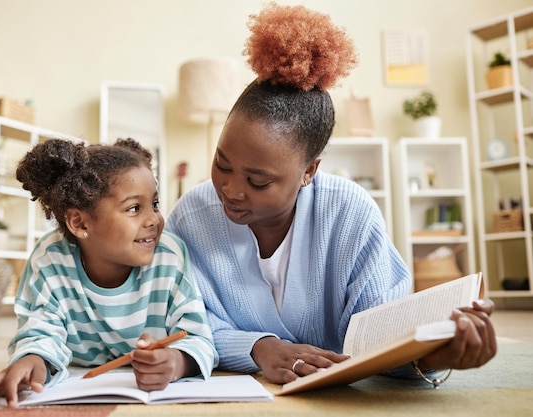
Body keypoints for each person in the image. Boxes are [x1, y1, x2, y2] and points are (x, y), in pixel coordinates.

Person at [165, 3, 496, 386]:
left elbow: (380, 332)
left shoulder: (349, 212)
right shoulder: (192, 217)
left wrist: (432, 353)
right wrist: (258, 347)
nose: (231, 189)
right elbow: (178, 318)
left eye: (258, 182)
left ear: (309, 171)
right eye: (222, 163)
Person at [0, 138, 218, 408]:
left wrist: (175, 362)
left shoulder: (170, 255)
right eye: (134, 208)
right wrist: (31, 362)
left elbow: (198, 338)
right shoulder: (50, 258)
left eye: (155, 204)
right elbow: (40, 333)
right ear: (80, 222)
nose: (154, 220)